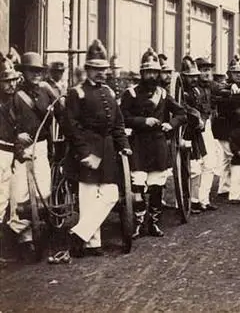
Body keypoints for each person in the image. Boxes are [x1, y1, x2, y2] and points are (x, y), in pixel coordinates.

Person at [61, 40, 131, 260]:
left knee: (110, 194)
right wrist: (83, 153)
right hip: (87, 150)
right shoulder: (77, 93)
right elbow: (70, 126)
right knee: (89, 197)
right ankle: (92, 243)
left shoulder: (108, 92)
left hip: (108, 150)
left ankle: (79, 234)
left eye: (103, 69)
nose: (101, 73)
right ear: (87, 69)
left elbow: (118, 122)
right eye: (96, 69)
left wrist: (124, 145)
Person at [121, 48, 186, 238]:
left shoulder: (163, 94)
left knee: (156, 187)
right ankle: (139, 222)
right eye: (148, 72)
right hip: (138, 145)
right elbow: (122, 118)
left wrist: (170, 124)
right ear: (142, 73)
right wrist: (143, 121)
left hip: (158, 146)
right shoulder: (131, 94)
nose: (151, 76)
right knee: (137, 187)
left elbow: (181, 113)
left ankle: (154, 223)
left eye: (155, 72)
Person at [8, 52, 61, 260]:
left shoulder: (47, 90)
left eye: (39, 71)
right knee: (20, 192)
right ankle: (24, 237)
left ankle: (38, 230)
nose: (36, 74)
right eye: (32, 71)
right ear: (24, 72)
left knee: (43, 190)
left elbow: (63, 113)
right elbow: (6, 121)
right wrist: (16, 137)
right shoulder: (15, 93)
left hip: (42, 146)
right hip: (21, 149)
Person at [180, 56, 216, 214]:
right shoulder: (182, 90)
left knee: (208, 164)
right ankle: (192, 201)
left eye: (195, 75)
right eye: (191, 76)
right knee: (194, 167)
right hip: (187, 131)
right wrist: (196, 115)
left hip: (202, 128)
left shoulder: (202, 88)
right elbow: (182, 107)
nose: (194, 78)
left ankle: (202, 200)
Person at [214, 56, 240, 199]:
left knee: (228, 158)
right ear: (229, 74)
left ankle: (225, 188)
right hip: (225, 127)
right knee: (230, 156)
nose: (239, 75)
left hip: (235, 128)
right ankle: (228, 188)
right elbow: (219, 90)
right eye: (236, 73)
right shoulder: (225, 86)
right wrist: (229, 87)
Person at [0, 53, 20, 265]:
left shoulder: (16, 101)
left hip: (12, 154)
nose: (11, 84)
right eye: (6, 81)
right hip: (1, 153)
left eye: (13, 80)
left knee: (10, 200)